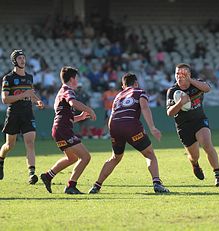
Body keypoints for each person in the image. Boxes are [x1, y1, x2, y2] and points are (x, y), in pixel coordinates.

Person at [89, 73, 169, 194]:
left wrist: (113, 131)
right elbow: (145, 107)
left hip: (114, 126)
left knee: (115, 157)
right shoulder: (139, 91)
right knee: (149, 154)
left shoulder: (118, 96)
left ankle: (96, 186)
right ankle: (157, 184)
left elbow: (112, 114)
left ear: (123, 86)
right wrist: (152, 127)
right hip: (131, 126)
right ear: (136, 83)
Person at [40, 66, 96, 194]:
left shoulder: (60, 92)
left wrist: (80, 117)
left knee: (72, 158)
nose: (78, 81)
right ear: (72, 79)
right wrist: (89, 110)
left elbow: (65, 116)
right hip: (63, 130)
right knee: (85, 157)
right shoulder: (67, 90)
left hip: (59, 129)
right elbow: (73, 103)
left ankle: (48, 176)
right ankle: (71, 186)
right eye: (77, 78)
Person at [166, 63, 219, 187]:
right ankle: (195, 164)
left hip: (199, 120)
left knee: (207, 145)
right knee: (194, 155)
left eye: (183, 73)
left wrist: (190, 80)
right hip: (183, 126)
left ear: (189, 74)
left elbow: (207, 88)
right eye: (177, 74)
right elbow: (170, 113)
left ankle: (218, 175)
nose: (179, 76)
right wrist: (180, 103)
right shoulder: (173, 91)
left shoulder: (196, 84)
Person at [0, 49, 44, 184]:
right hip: (13, 113)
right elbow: (5, 99)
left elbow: (30, 93)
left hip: (27, 113)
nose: (22, 60)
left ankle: (31, 173)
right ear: (14, 61)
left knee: (30, 142)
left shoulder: (29, 77)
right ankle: (1, 161)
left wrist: (37, 100)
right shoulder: (8, 78)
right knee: (10, 145)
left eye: (23, 58)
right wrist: (23, 95)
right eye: (19, 58)